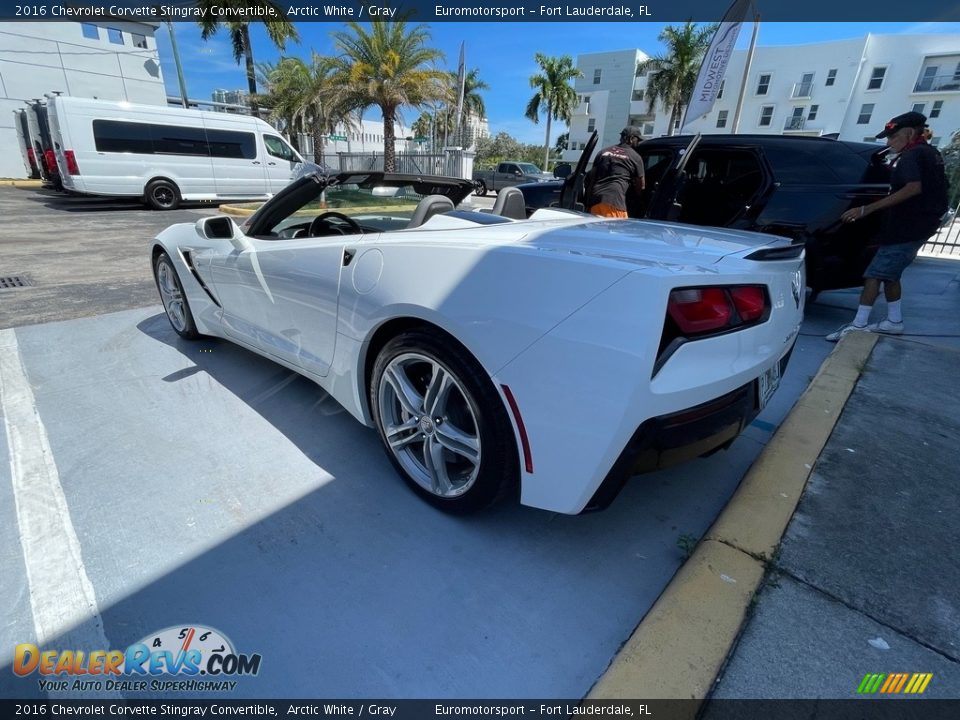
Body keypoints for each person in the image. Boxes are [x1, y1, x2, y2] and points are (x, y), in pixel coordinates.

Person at [826, 111, 948, 341]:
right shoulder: (931, 153)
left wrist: (867, 209)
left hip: (906, 228)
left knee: (874, 274)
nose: (889, 143)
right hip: (918, 225)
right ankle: (894, 321)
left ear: (909, 133)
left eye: (893, 137)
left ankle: (858, 324)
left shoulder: (913, 156)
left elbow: (912, 188)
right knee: (890, 274)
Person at [586, 126, 645, 218]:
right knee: (618, 227)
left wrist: (588, 202)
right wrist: (639, 198)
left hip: (596, 201)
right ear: (631, 138)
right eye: (637, 140)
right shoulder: (636, 157)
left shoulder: (602, 152)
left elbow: (592, 177)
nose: (638, 143)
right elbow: (641, 186)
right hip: (614, 202)